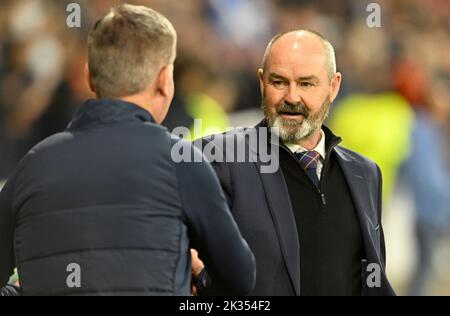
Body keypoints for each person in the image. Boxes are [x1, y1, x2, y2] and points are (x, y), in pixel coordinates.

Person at [0, 4, 255, 296]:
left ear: (90, 78)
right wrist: (198, 281)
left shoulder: (33, 165)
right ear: (164, 81)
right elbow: (240, 280)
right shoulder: (181, 162)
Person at [193, 30, 395, 296]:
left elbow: (372, 279)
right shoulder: (215, 158)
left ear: (333, 87)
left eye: (306, 84)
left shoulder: (365, 174)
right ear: (262, 82)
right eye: (279, 82)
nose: (291, 97)